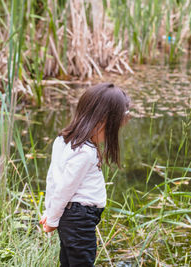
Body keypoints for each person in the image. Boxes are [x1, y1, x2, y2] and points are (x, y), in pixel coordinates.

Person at [39, 83, 130, 266]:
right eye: (116, 125)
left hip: (72, 216)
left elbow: (54, 180)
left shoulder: (63, 141)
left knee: (69, 261)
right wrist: (52, 219)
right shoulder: (84, 152)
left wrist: (50, 211)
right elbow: (64, 188)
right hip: (79, 219)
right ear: (102, 121)